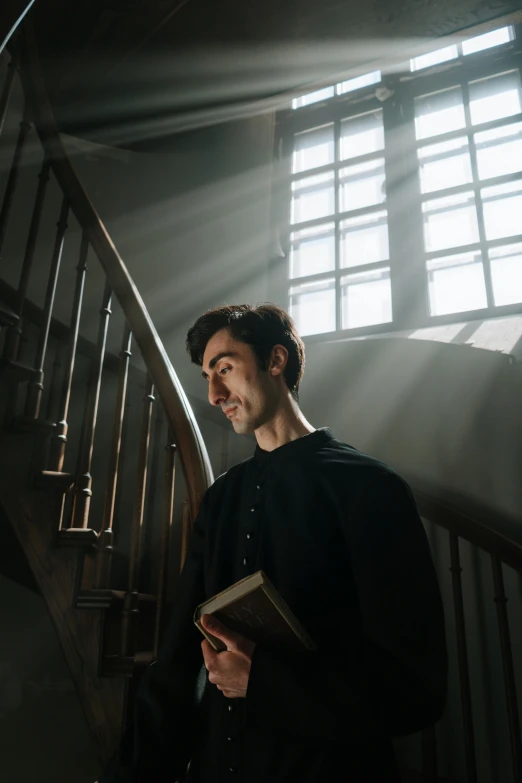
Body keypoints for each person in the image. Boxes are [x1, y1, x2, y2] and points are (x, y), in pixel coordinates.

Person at [98, 303, 447, 783]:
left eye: (225, 368)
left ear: (276, 360)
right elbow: (177, 663)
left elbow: (417, 691)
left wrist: (260, 682)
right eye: (206, 376)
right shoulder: (221, 498)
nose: (215, 393)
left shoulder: (371, 488)